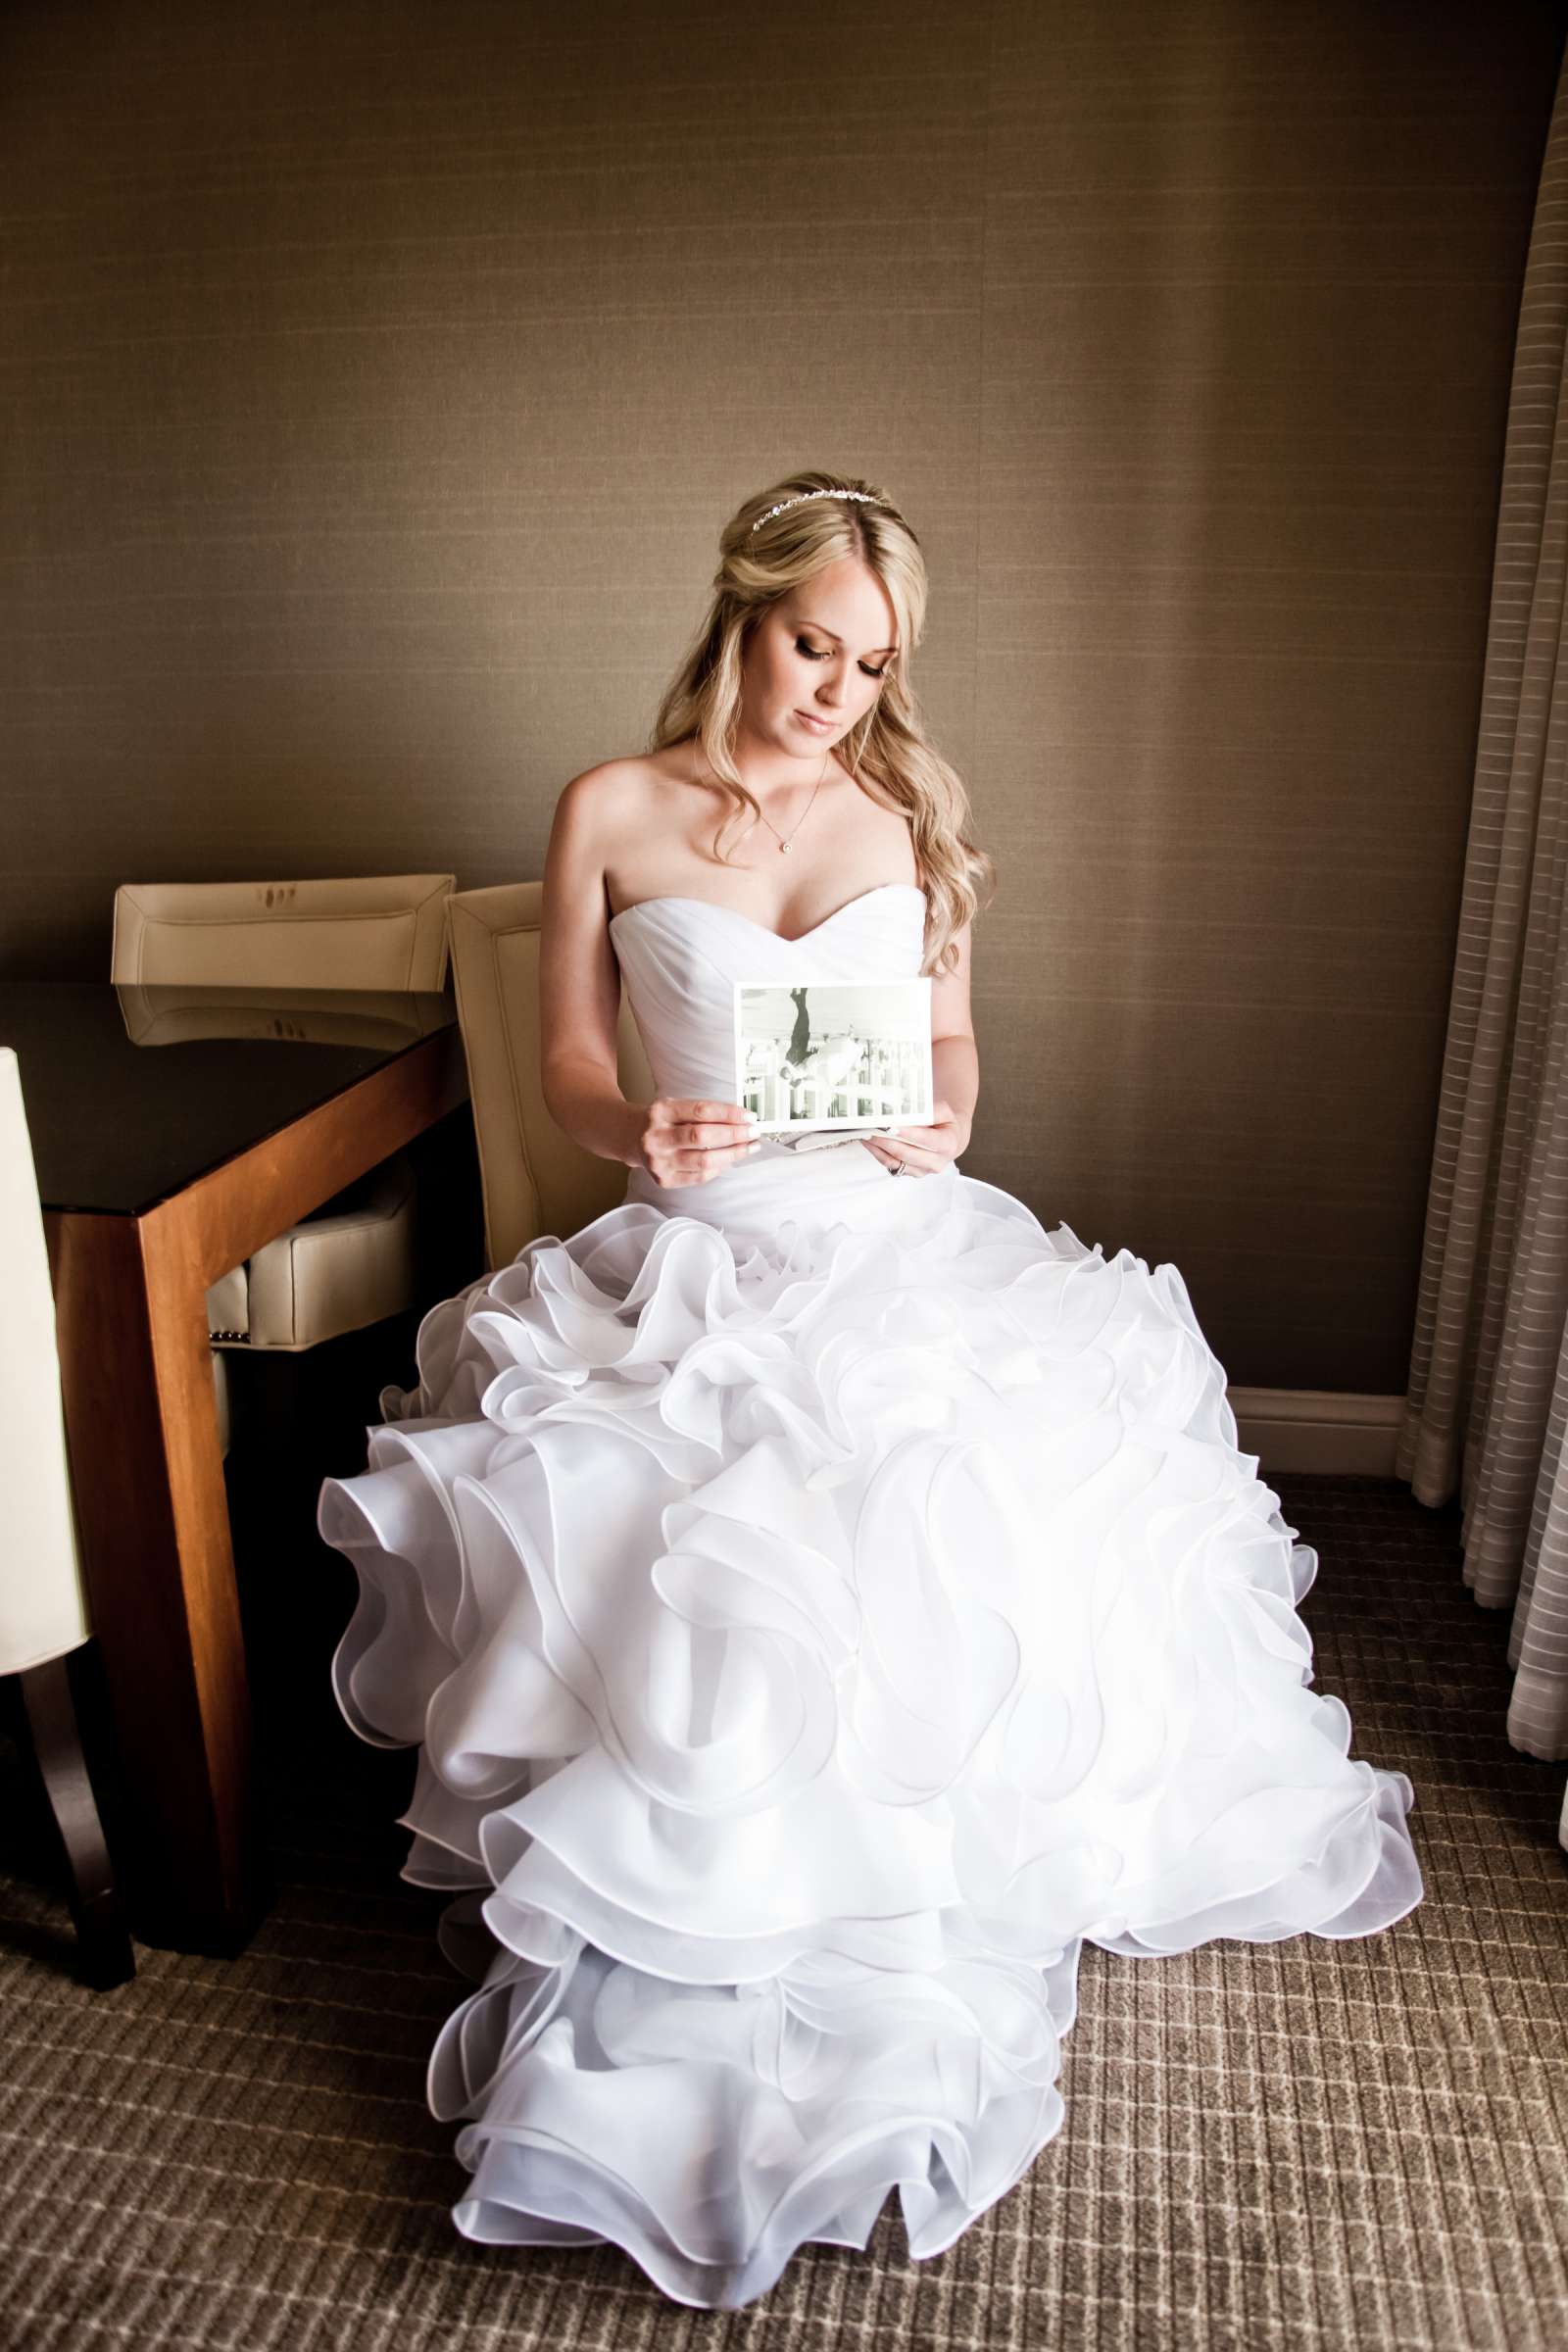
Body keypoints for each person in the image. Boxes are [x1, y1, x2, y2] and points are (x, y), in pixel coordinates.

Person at [318, 469, 1424, 2312]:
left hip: (901, 1228)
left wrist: (948, 1112)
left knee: (950, 1481)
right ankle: (705, 1910)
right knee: (706, 1508)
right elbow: (577, 1072)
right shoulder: (612, 805)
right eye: (809, 642)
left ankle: (917, 1874)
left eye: (870, 659)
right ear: (739, 617)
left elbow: (960, 1038)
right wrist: (640, 1130)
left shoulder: (916, 804)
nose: (833, 688)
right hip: (703, 1233)